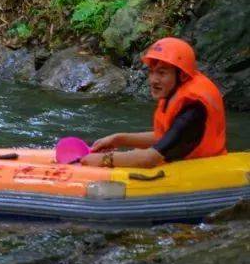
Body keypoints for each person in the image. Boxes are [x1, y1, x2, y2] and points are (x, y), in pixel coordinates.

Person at [82, 37, 226, 169]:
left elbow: (150, 158)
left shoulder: (193, 110)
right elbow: (164, 136)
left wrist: (105, 160)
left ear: (181, 75)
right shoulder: (175, 93)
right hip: (186, 161)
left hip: (202, 169)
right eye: (151, 72)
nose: (153, 80)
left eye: (162, 73)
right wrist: (118, 139)